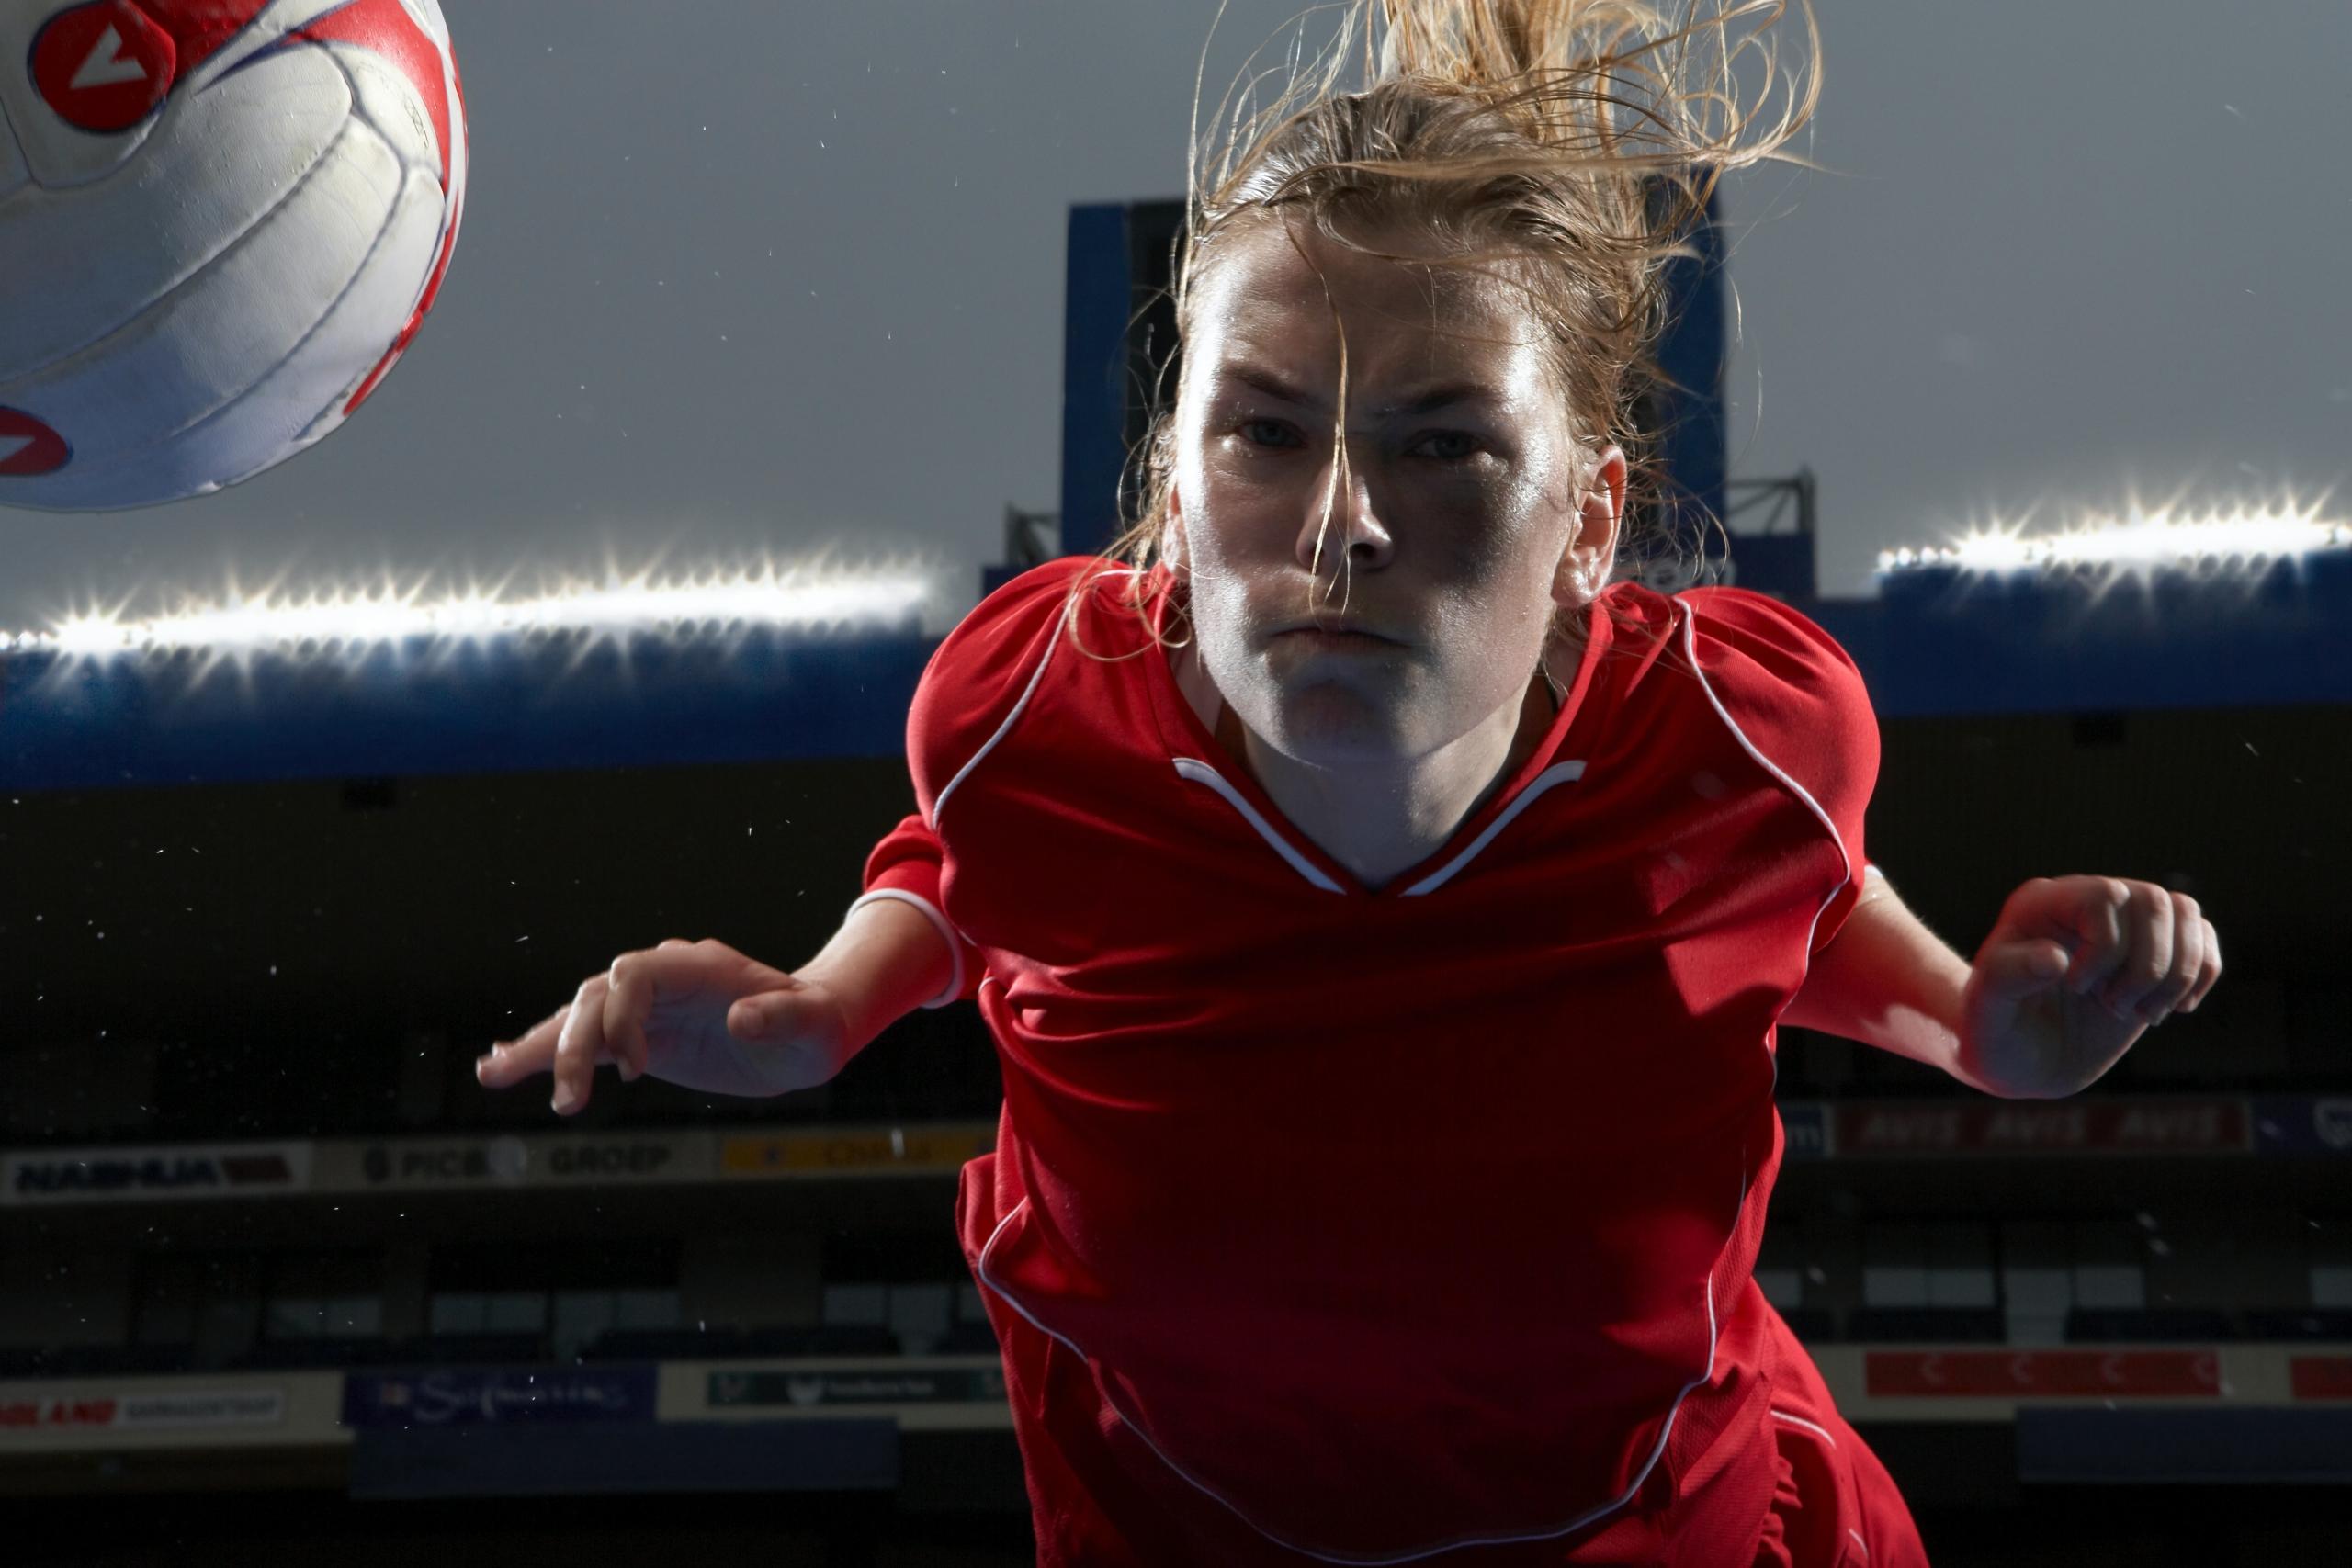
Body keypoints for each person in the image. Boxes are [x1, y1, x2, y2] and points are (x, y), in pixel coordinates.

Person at [476, 3, 2223, 1562]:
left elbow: (1810, 920)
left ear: (1588, 529)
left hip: (1653, 1530)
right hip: (1172, 1521)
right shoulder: (1029, 716)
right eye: (1262, 431)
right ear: (1170, 488)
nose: (1340, 524)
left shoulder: (1735, 744)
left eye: (1442, 441)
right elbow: (982, 866)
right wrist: (813, 1012)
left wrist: (1995, 1038)